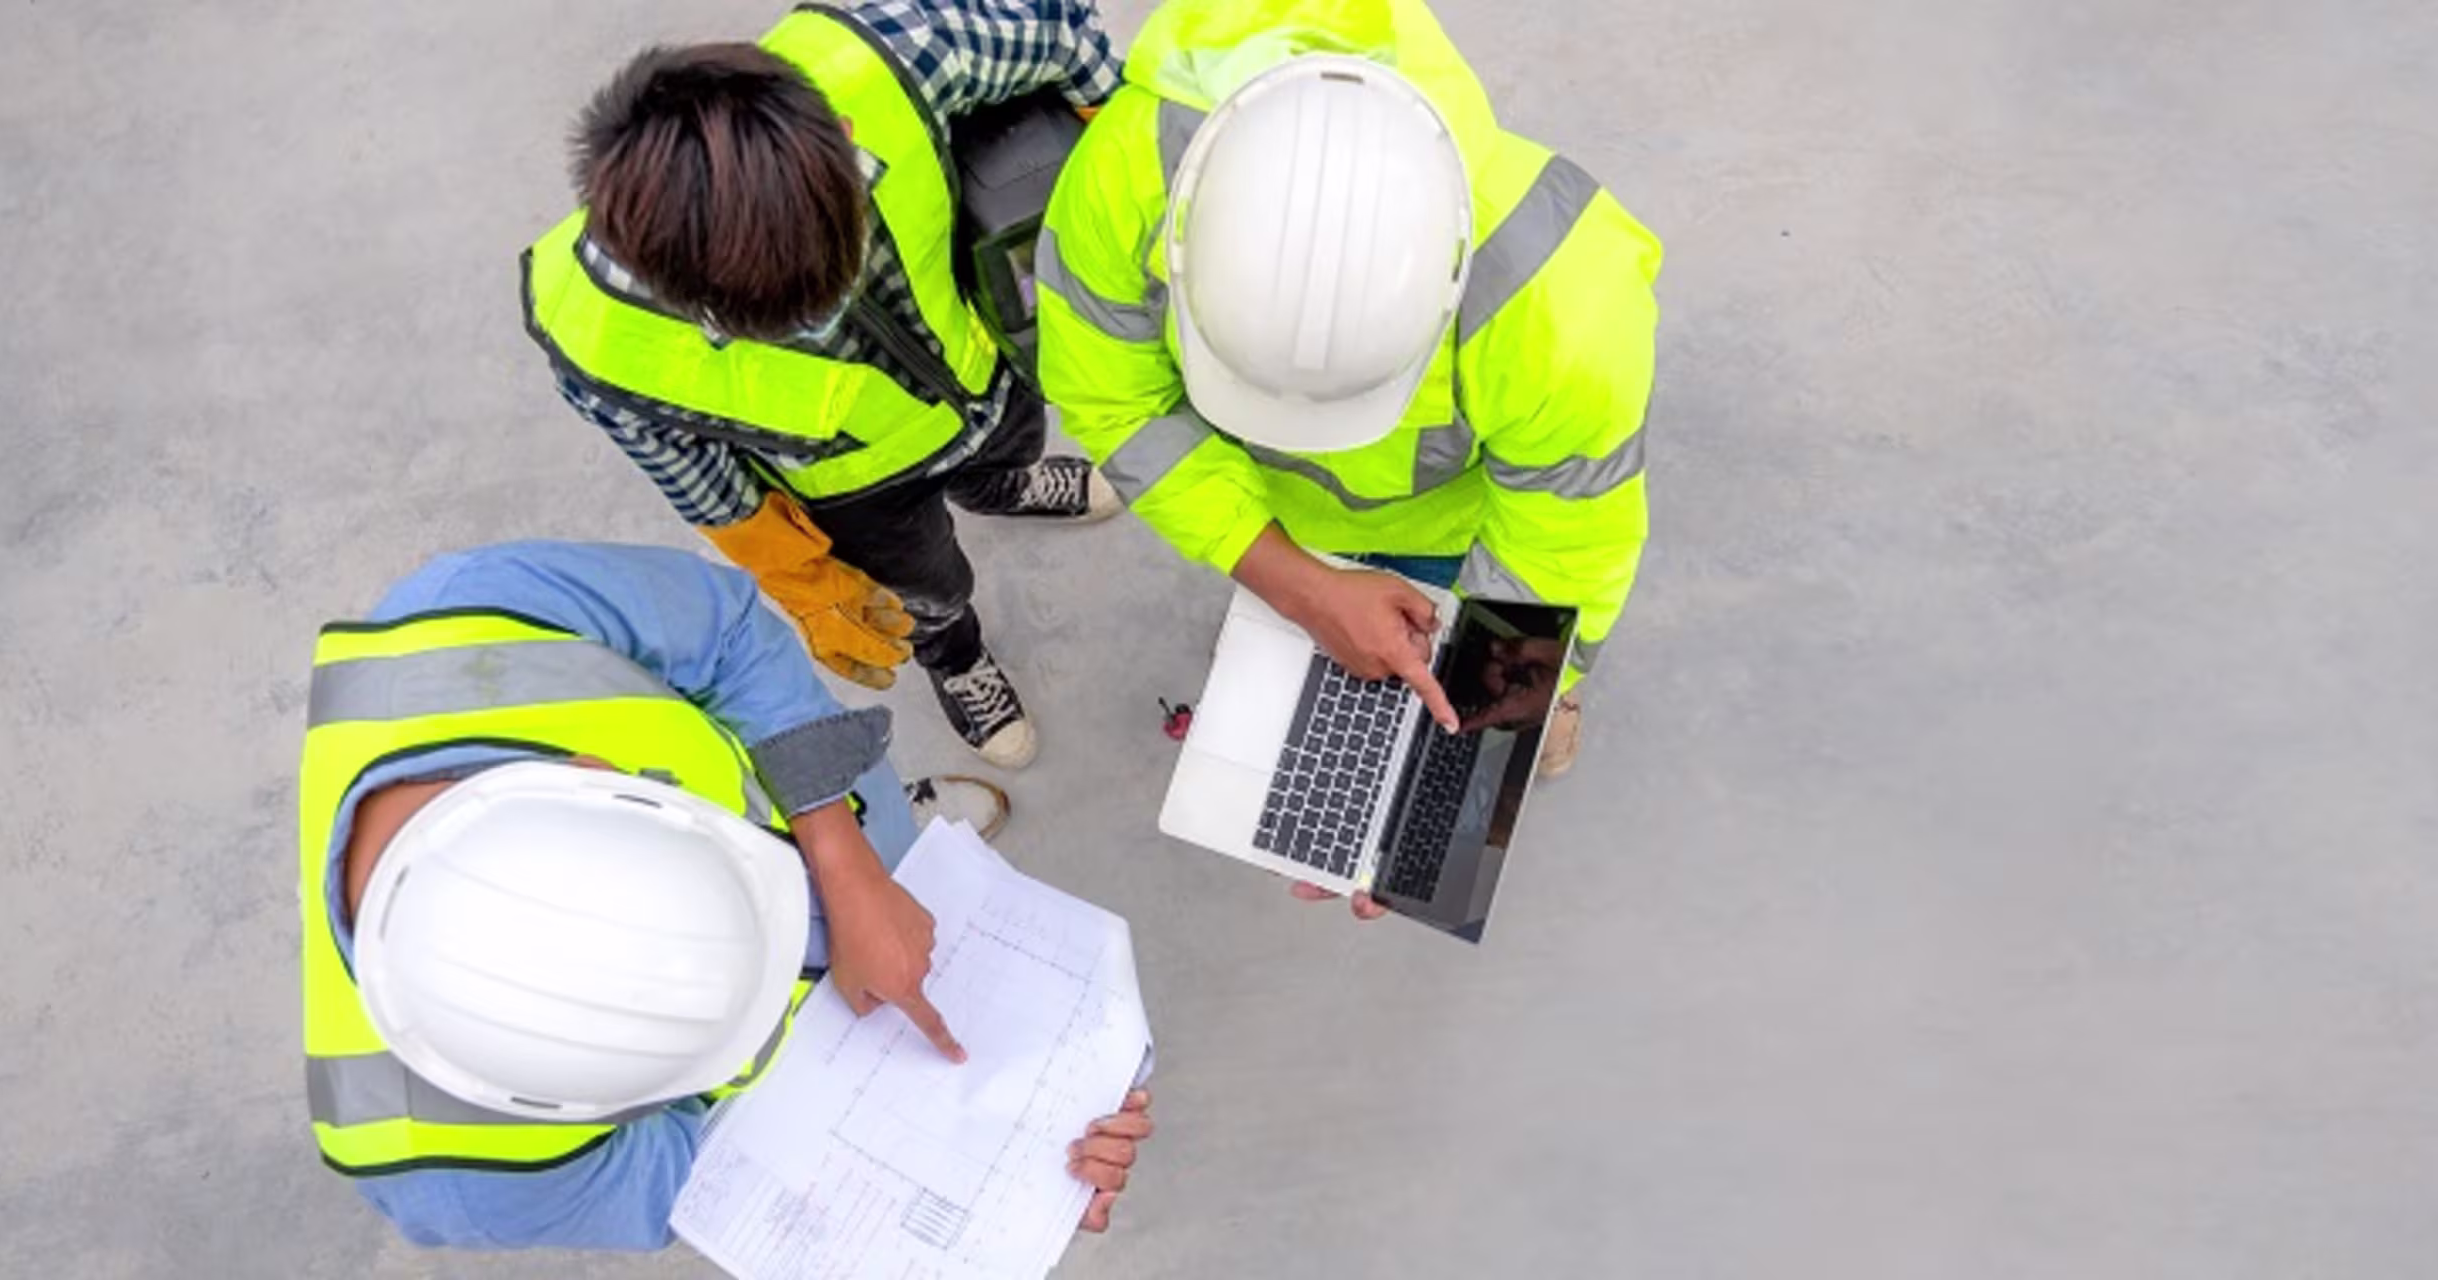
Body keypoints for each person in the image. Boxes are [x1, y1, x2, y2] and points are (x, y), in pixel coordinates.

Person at [294, 541, 1152, 1249]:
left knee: (873, 824)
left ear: (592, 774)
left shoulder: (475, 616)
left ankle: (897, 830)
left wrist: (846, 855)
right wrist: (1015, 1164)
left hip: (841, 834)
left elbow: (729, 637)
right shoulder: (461, 1181)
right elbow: (733, 1186)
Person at [1033, 0, 1662, 808]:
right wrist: (1292, 582)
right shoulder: (1128, 176)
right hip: (1270, 517)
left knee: (1478, 705)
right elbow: (1114, 403)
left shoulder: (1561, 302)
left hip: (1456, 536)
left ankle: (1533, 711)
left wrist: (1481, 713)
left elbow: (1560, 551)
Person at [523, 0, 1133, 769]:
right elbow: (706, 485)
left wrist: (1128, 173)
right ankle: (955, 657)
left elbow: (1060, 30)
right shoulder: (602, 345)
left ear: (842, 138)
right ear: (672, 285)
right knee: (927, 591)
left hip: (986, 374)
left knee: (1011, 446)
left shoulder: (898, 57)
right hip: (862, 492)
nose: (826, 320)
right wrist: (806, 578)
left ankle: (997, 485)